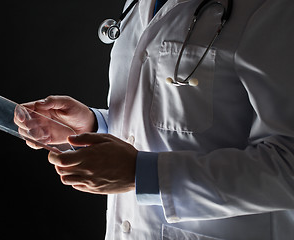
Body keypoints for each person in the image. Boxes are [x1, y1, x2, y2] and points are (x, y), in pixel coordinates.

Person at [15, 0, 294, 239]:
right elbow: (173, 121)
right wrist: (93, 125)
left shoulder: (269, 8)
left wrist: (143, 174)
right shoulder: (139, 4)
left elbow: (288, 164)